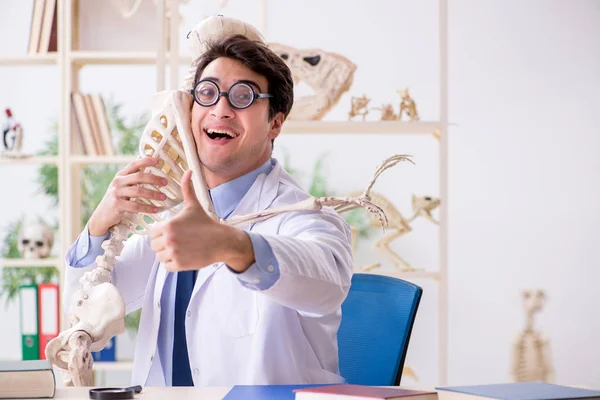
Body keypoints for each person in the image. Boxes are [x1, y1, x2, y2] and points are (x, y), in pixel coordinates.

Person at [63, 33, 354, 387]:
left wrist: (232, 245)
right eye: (207, 93)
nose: (221, 109)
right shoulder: (175, 219)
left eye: (243, 96)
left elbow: (326, 281)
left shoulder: (305, 216)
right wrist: (100, 223)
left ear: (275, 123)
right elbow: (88, 303)